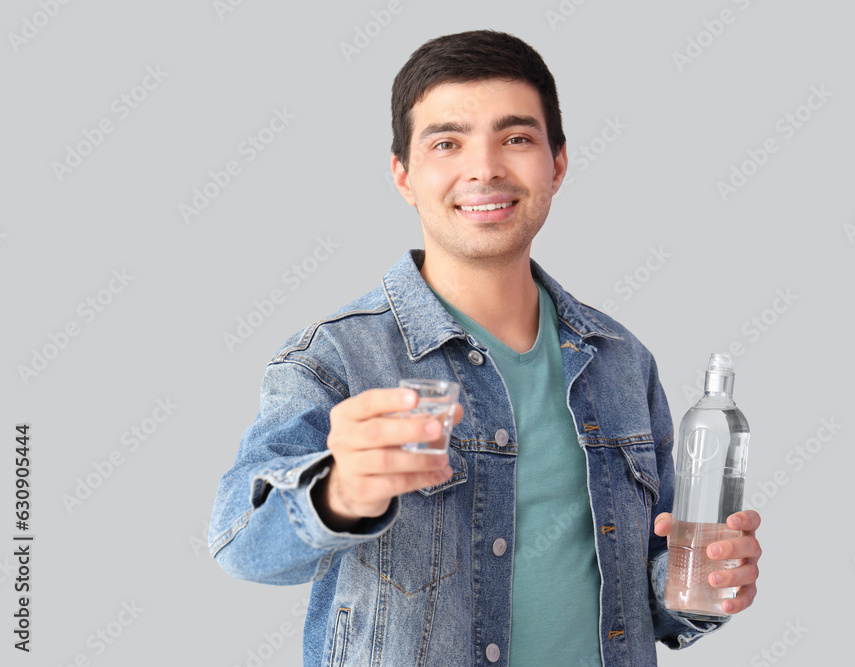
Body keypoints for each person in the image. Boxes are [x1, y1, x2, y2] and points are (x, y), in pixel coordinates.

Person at [209, 29, 761, 666]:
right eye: (447, 142)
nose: (485, 168)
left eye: (516, 138)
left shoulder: (620, 362)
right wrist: (337, 492)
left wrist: (705, 579)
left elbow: (648, 588)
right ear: (403, 175)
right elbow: (239, 543)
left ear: (556, 163)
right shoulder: (334, 360)